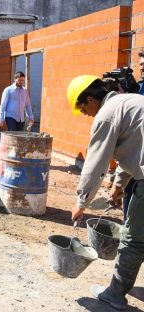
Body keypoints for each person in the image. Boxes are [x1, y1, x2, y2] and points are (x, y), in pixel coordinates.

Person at [68, 75, 144, 310]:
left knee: (134, 239)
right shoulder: (130, 101)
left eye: (82, 108)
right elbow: (133, 149)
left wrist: (82, 201)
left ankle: (115, 294)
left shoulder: (106, 114)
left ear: (91, 99)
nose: (84, 114)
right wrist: (119, 185)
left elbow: (96, 163)